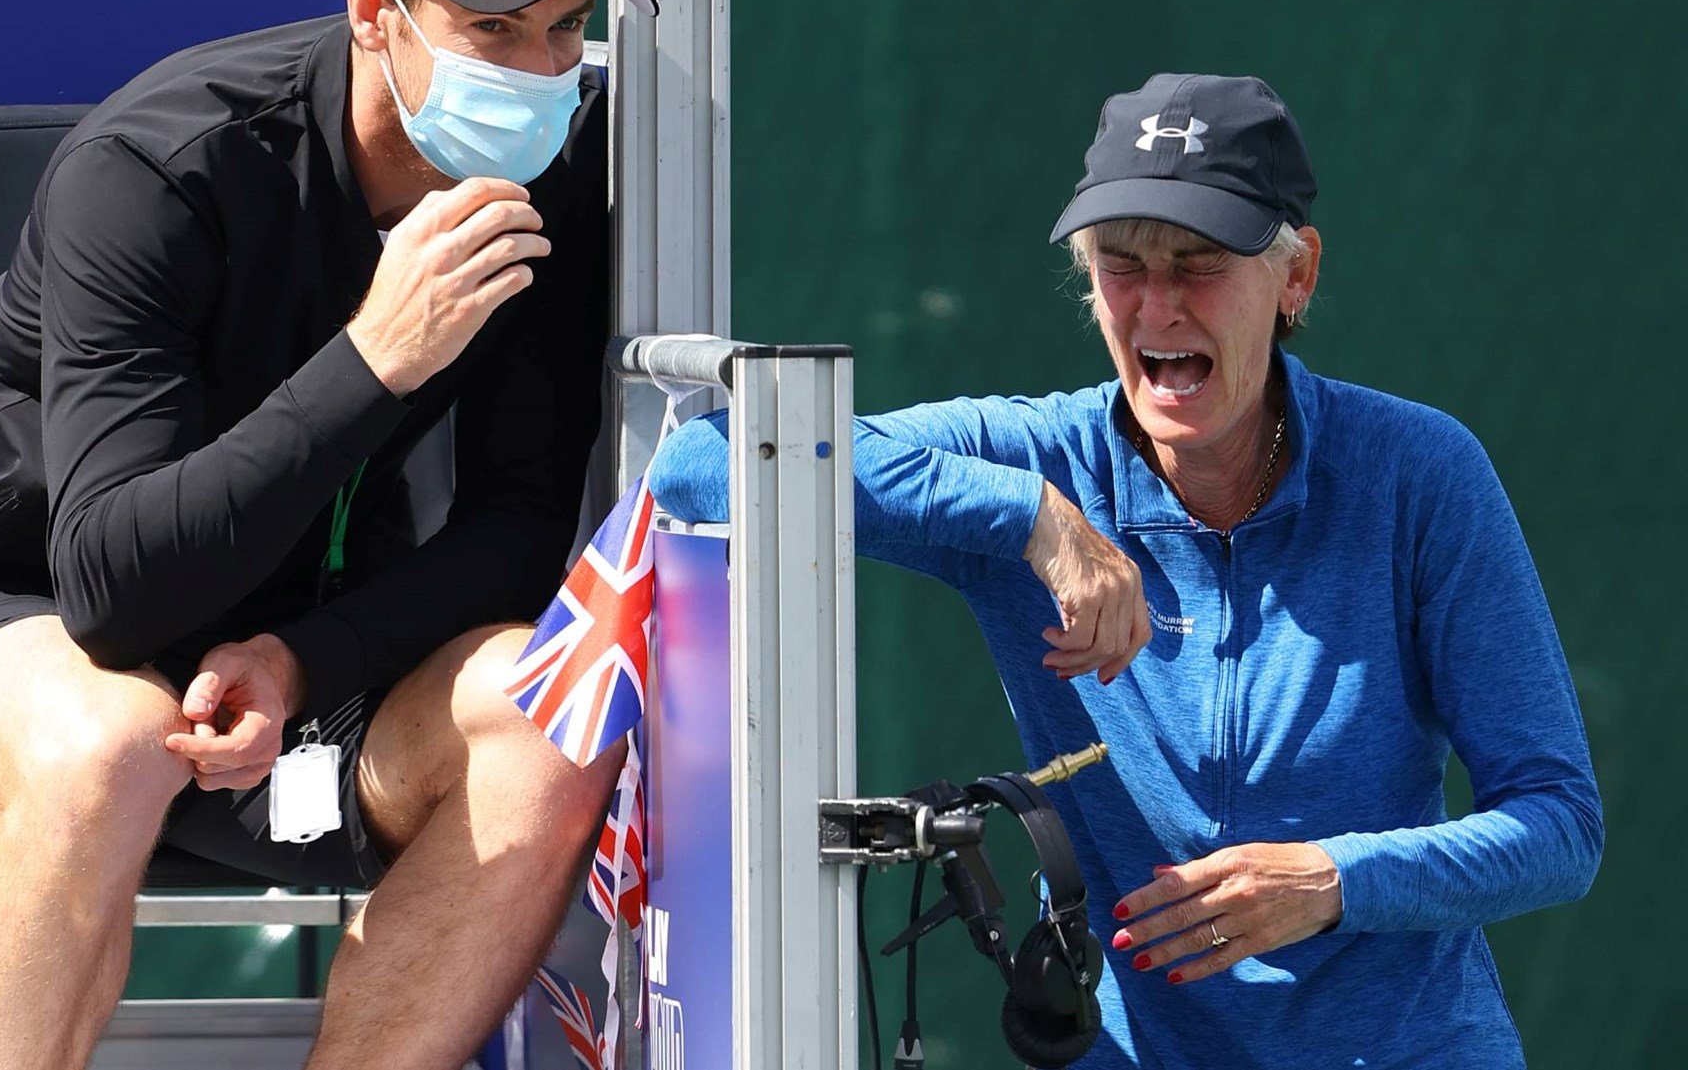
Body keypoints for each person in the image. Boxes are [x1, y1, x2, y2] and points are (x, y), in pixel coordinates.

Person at [0, 0, 658, 1070]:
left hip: (303, 649)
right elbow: (112, 593)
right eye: (492, 30)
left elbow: (515, 526)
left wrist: (299, 656)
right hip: (16, 611)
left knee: (551, 706)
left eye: (565, 29)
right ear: (373, 9)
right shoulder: (158, 165)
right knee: (105, 740)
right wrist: (373, 359)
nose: (539, 73)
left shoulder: (558, 173)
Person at [648, 73, 1602, 1067]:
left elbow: (1557, 826)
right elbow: (706, 460)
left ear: (1295, 277)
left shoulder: (1419, 473)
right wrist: (1025, 514)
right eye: (1119, 265)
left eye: (1197, 265)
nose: (1155, 307)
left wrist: (1331, 881)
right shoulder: (1030, 462)